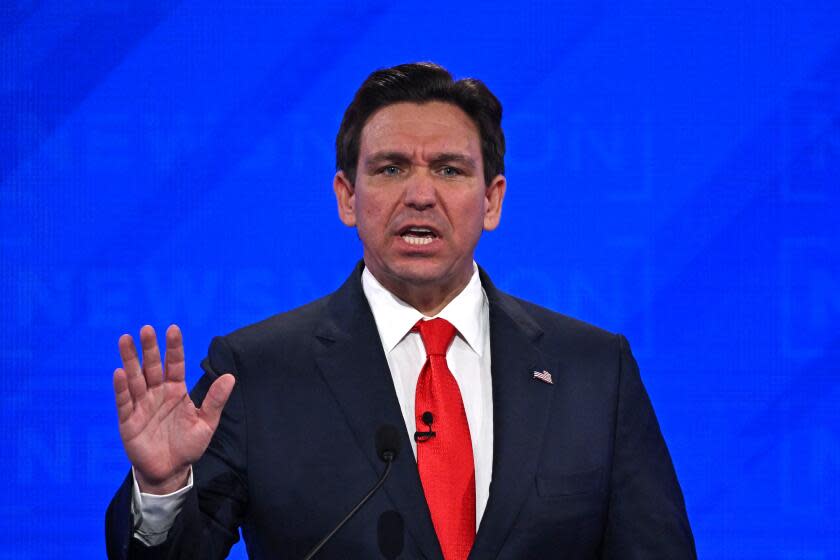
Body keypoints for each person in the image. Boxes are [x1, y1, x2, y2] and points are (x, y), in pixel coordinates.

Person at [105, 62, 696, 559]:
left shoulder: (592, 369)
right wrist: (162, 488)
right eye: (390, 168)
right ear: (347, 197)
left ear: (491, 200)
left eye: (449, 169)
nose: (420, 193)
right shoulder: (257, 371)